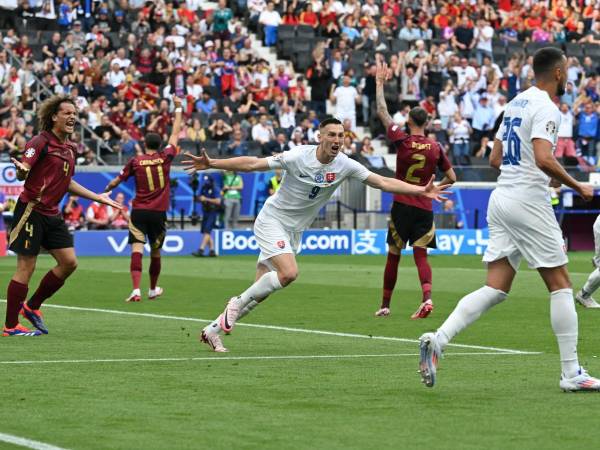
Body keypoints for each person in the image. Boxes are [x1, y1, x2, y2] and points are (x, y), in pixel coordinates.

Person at [182, 117, 450, 352]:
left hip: (294, 231)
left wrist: (419, 191)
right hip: (271, 221)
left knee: (259, 293)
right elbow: (253, 164)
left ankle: (212, 330)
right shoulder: (297, 155)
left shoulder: (345, 164)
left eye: (341, 135)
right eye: (331, 135)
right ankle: (234, 302)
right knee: (288, 274)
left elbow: (381, 181)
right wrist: (213, 163)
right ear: (319, 137)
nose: (337, 140)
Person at [419, 48, 600, 392]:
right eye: (568, 73)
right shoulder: (547, 107)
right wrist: (576, 184)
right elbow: (545, 157)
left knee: (495, 287)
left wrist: (532, 172)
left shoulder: (515, 102)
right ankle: (572, 373)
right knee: (561, 284)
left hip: (501, 198)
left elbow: (495, 158)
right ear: (559, 74)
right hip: (527, 203)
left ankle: (438, 339)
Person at [4, 95, 122, 336]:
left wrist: (97, 197)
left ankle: (32, 307)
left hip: (52, 213)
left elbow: (66, 182)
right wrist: (20, 171)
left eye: (74, 114)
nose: (72, 117)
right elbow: (23, 171)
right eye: (67, 113)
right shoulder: (40, 142)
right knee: (27, 266)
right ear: (54, 117)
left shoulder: (70, 148)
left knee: (69, 262)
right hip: (32, 210)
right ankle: (10, 326)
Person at [374, 61, 456, 319]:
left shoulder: (402, 139)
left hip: (402, 204)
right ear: (428, 123)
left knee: (394, 254)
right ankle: (427, 298)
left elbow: (382, 111)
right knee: (421, 256)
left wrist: (379, 84)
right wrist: (433, 189)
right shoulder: (435, 147)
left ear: (408, 120)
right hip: (424, 208)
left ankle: (386, 305)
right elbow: (452, 177)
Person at [104, 97, 183, 303]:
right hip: (158, 213)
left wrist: (106, 191)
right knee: (156, 252)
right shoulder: (165, 157)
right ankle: (153, 289)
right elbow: (175, 133)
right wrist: (179, 108)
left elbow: (117, 180)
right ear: (159, 145)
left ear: (144, 144)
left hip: (139, 211)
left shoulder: (135, 161)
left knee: (136, 249)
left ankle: (136, 290)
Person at [192, 174, 221, 257]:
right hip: (205, 211)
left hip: (213, 211)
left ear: (211, 181)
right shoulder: (204, 187)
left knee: (207, 230)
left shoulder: (215, 188)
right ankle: (212, 250)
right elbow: (200, 197)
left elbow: (218, 201)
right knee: (205, 231)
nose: (206, 183)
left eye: (208, 181)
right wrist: (197, 198)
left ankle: (201, 249)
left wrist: (206, 199)